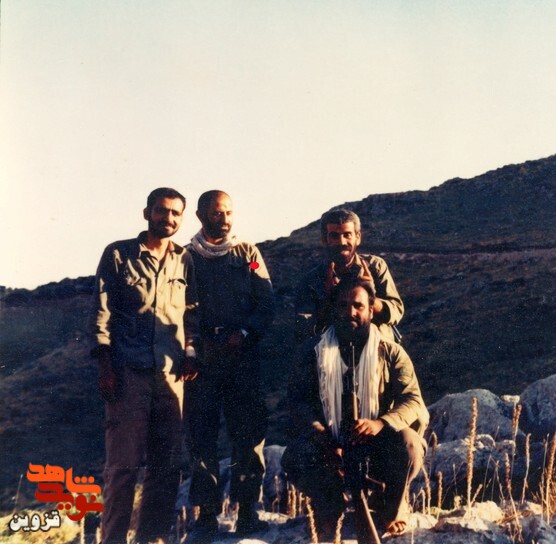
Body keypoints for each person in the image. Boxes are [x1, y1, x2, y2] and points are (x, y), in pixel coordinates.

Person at [91, 187, 199, 544]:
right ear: (147, 213)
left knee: (166, 466)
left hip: (171, 378)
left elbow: (192, 314)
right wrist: (106, 367)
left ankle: (152, 539)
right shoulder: (119, 254)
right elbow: (102, 313)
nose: (168, 218)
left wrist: (191, 352)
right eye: (161, 211)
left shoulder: (185, 259)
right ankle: (113, 539)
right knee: (123, 467)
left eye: (175, 213)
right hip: (128, 374)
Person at [282, 277, 428, 539]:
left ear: (371, 310)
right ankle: (329, 507)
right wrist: (321, 433)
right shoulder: (311, 352)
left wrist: (380, 424)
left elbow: (412, 400)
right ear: (334, 309)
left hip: (376, 441)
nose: (350, 312)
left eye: (358, 306)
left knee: (410, 445)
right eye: (343, 305)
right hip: (328, 443)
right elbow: (297, 401)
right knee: (295, 456)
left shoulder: (391, 352)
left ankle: (390, 507)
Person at [184, 190, 275, 537]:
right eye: (216, 213)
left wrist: (245, 333)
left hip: (242, 357)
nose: (224, 220)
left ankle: (247, 512)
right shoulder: (186, 257)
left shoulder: (247, 254)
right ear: (200, 216)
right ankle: (206, 516)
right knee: (201, 437)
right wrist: (195, 342)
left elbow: (266, 302)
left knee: (248, 434)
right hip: (202, 360)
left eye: (228, 213)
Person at [294, 209, 404, 343]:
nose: (342, 242)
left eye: (347, 235)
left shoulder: (375, 267)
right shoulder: (311, 280)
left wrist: (370, 297)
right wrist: (329, 299)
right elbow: (303, 327)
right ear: (324, 240)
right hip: (331, 348)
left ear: (358, 237)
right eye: (334, 236)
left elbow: (396, 310)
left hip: (377, 347)